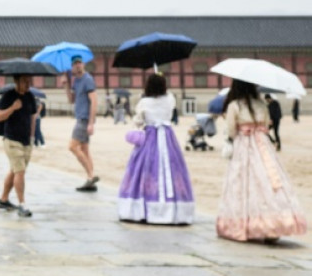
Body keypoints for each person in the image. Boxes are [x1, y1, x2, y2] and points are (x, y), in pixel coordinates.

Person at [216, 79, 306, 242]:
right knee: (268, 180)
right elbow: (266, 124)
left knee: (242, 183)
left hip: (244, 144)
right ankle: (272, 224)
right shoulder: (261, 104)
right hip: (263, 145)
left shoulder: (234, 105)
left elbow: (230, 130)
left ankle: (245, 224)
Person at [117, 73, 194, 224]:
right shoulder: (170, 99)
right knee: (172, 168)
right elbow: (170, 114)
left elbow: (138, 121)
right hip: (167, 136)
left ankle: (142, 208)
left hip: (150, 136)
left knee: (146, 169)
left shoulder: (144, 102)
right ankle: (173, 209)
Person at [0, 74, 37, 217]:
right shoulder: (8, 96)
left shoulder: (30, 96)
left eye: (29, 80)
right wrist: (13, 107)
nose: (28, 84)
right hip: (12, 140)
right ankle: (22, 204)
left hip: (26, 141)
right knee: (20, 171)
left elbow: (32, 117)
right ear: (17, 81)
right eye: (25, 81)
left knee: (15, 170)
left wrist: (32, 137)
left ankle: (3, 199)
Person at [63, 55, 99, 191]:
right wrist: (66, 85)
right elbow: (71, 100)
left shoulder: (88, 79)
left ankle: (91, 175)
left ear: (83, 64)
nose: (77, 65)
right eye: (75, 64)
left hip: (84, 119)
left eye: (79, 63)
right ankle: (91, 180)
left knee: (72, 147)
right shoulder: (76, 81)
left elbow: (94, 101)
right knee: (84, 150)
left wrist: (91, 123)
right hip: (79, 117)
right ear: (72, 67)